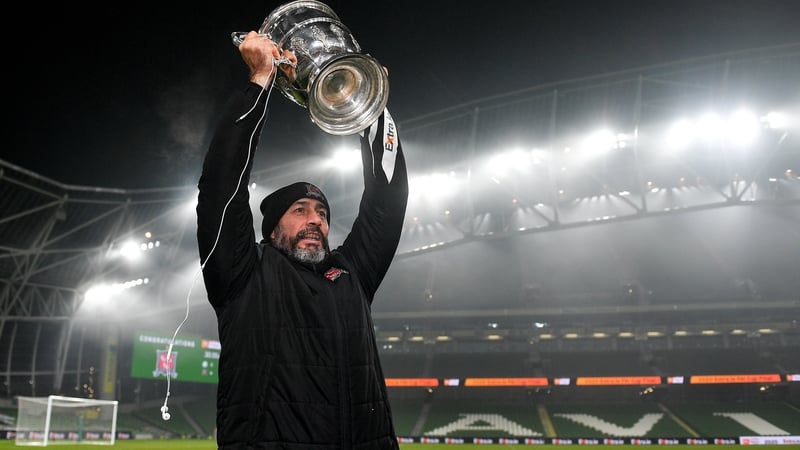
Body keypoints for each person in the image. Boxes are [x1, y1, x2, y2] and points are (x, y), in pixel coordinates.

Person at [196, 31, 408, 450]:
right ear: (272, 229)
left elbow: (387, 200)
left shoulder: (352, 275)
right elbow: (222, 187)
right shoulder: (242, 275)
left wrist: (374, 109)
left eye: (323, 213)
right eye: (300, 211)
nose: (316, 221)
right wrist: (259, 81)